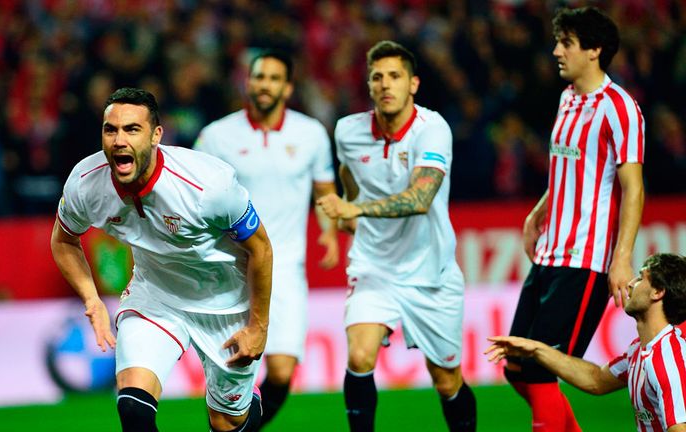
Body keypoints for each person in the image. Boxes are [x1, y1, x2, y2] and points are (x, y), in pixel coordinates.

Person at [50, 87, 273, 432]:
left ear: (156, 135)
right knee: (133, 409)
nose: (119, 140)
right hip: (154, 298)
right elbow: (64, 240)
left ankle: (245, 407)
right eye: (111, 130)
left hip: (225, 305)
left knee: (228, 422)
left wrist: (258, 327)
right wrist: (92, 299)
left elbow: (261, 249)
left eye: (132, 129)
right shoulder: (85, 183)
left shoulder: (208, 185)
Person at [317, 40, 477, 432]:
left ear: (413, 84)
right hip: (374, 266)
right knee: (359, 357)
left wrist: (356, 209)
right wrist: (347, 209)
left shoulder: (432, 129)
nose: (385, 84)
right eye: (377, 77)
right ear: (369, 86)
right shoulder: (347, 132)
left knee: (446, 380)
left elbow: (422, 198)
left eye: (395, 76)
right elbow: (349, 178)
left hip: (431, 272)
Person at [505, 7, 646, 431]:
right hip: (549, 253)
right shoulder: (567, 99)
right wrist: (538, 212)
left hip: (583, 262)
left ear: (594, 50)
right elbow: (569, 169)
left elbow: (634, 188)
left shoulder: (620, 108)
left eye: (566, 43)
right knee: (515, 365)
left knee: (541, 368)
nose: (555, 51)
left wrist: (621, 259)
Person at [195, 49, 339, 427]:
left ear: (288, 88)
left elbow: (324, 192)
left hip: (286, 266)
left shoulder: (311, 135)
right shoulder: (216, 136)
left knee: (280, 371)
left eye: (274, 78)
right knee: (233, 370)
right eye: (259, 77)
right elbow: (192, 197)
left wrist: (328, 233)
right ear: (248, 82)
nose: (265, 85)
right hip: (230, 268)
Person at [486, 253, 686, 432]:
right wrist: (536, 349)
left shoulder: (668, 360)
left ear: (657, 292)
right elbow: (596, 379)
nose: (632, 283)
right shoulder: (641, 350)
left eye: (641, 278)